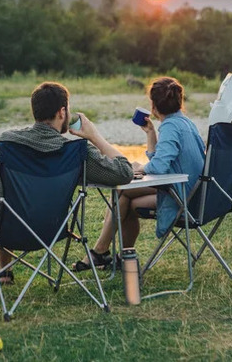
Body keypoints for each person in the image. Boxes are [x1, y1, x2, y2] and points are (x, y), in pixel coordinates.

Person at [0, 81, 134, 284]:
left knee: (1, 192)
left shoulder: (9, 142)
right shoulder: (76, 152)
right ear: (62, 112)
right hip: (52, 229)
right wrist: (94, 136)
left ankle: (4, 269)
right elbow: (124, 172)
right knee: (2, 188)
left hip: (3, 230)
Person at [73, 76, 205, 271]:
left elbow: (158, 167)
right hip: (192, 192)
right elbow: (161, 160)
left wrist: (139, 168)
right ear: (179, 101)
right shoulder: (185, 123)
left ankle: (101, 252)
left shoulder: (170, 127)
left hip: (181, 197)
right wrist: (151, 134)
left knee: (123, 192)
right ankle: (121, 257)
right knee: (126, 199)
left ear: (153, 106)